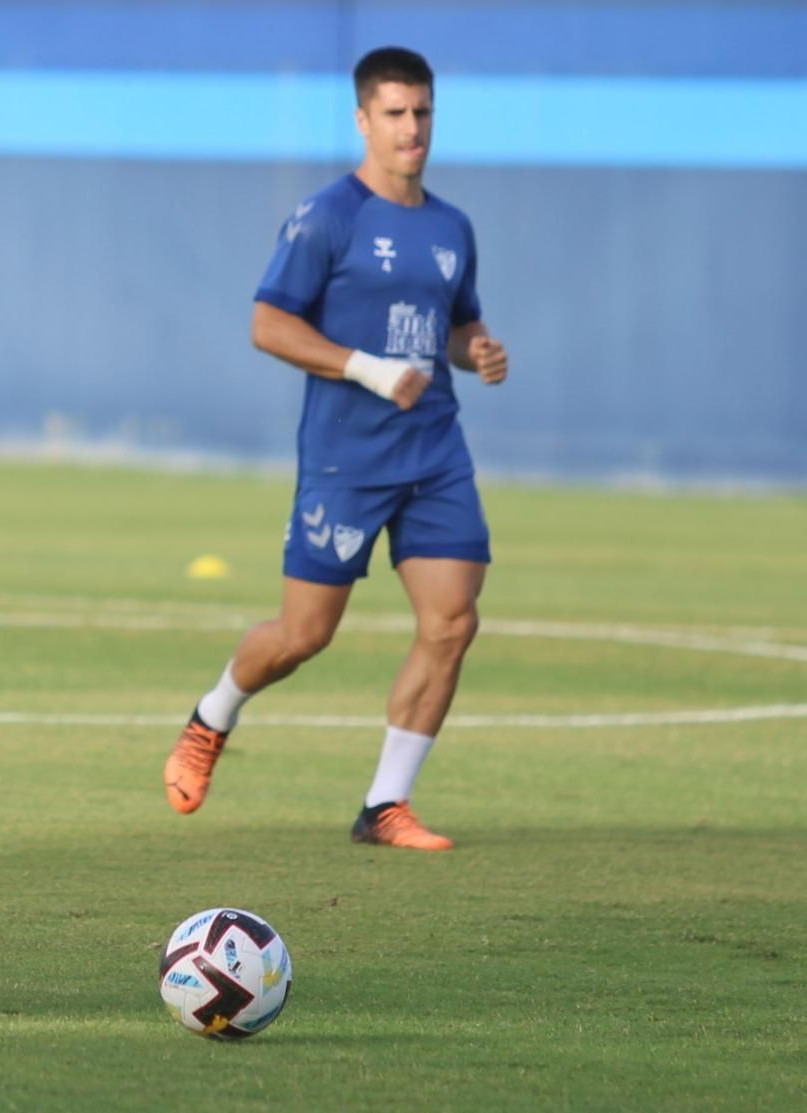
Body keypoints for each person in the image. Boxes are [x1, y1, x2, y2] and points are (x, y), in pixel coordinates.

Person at [164, 47, 508, 850]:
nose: (411, 128)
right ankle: (212, 717)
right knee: (303, 634)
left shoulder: (452, 226)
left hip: (435, 452)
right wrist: (370, 368)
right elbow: (268, 323)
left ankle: (386, 803)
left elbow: (455, 326)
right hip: (346, 459)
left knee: (452, 621)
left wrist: (478, 348)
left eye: (421, 111)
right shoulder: (329, 216)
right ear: (363, 120)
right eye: (394, 113)